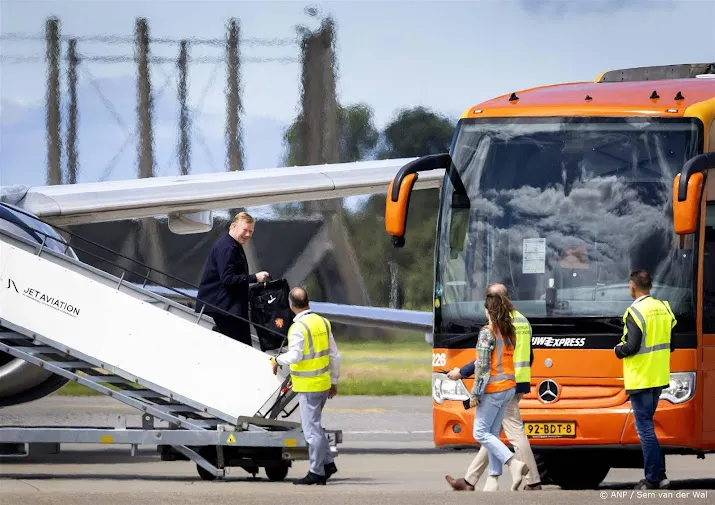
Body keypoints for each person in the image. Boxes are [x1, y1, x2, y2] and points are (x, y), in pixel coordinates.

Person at [445, 283, 541, 491]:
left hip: (501, 384)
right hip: (517, 380)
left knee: (508, 433)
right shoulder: (523, 320)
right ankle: (471, 480)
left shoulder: (500, 325)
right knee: (492, 433)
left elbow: (484, 362)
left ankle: (531, 479)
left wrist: (462, 373)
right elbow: (529, 355)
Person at [271, 287, 340, 485]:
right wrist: (334, 382)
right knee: (316, 426)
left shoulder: (298, 328)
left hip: (309, 386)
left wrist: (277, 360)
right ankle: (327, 464)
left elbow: (295, 356)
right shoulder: (323, 322)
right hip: (323, 384)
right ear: (308, 301)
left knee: (311, 430)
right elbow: (335, 355)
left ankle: (316, 472)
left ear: (291, 305)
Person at [615, 270, 676, 490]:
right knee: (649, 426)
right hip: (658, 376)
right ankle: (660, 475)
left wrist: (617, 350)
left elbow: (631, 346)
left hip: (641, 377)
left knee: (645, 430)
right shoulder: (664, 308)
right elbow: (672, 343)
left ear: (633, 286)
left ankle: (652, 478)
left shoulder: (635, 311)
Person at [465, 290, 530, 491]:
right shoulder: (508, 331)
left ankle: (513, 463)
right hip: (509, 388)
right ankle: (493, 479)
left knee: (480, 432)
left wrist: (475, 394)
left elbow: (483, 367)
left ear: (489, 311)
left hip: (493, 389)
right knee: (493, 432)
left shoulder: (487, 332)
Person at [195, 212, 269, 346]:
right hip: (224, 311)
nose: (248, 235)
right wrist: (255, 278)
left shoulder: (231, 245)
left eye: (250, 231)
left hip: (227, 309)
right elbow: (228, 279)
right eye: (245, 230)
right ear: (233, 226)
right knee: (241, 348)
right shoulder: (228, 247)